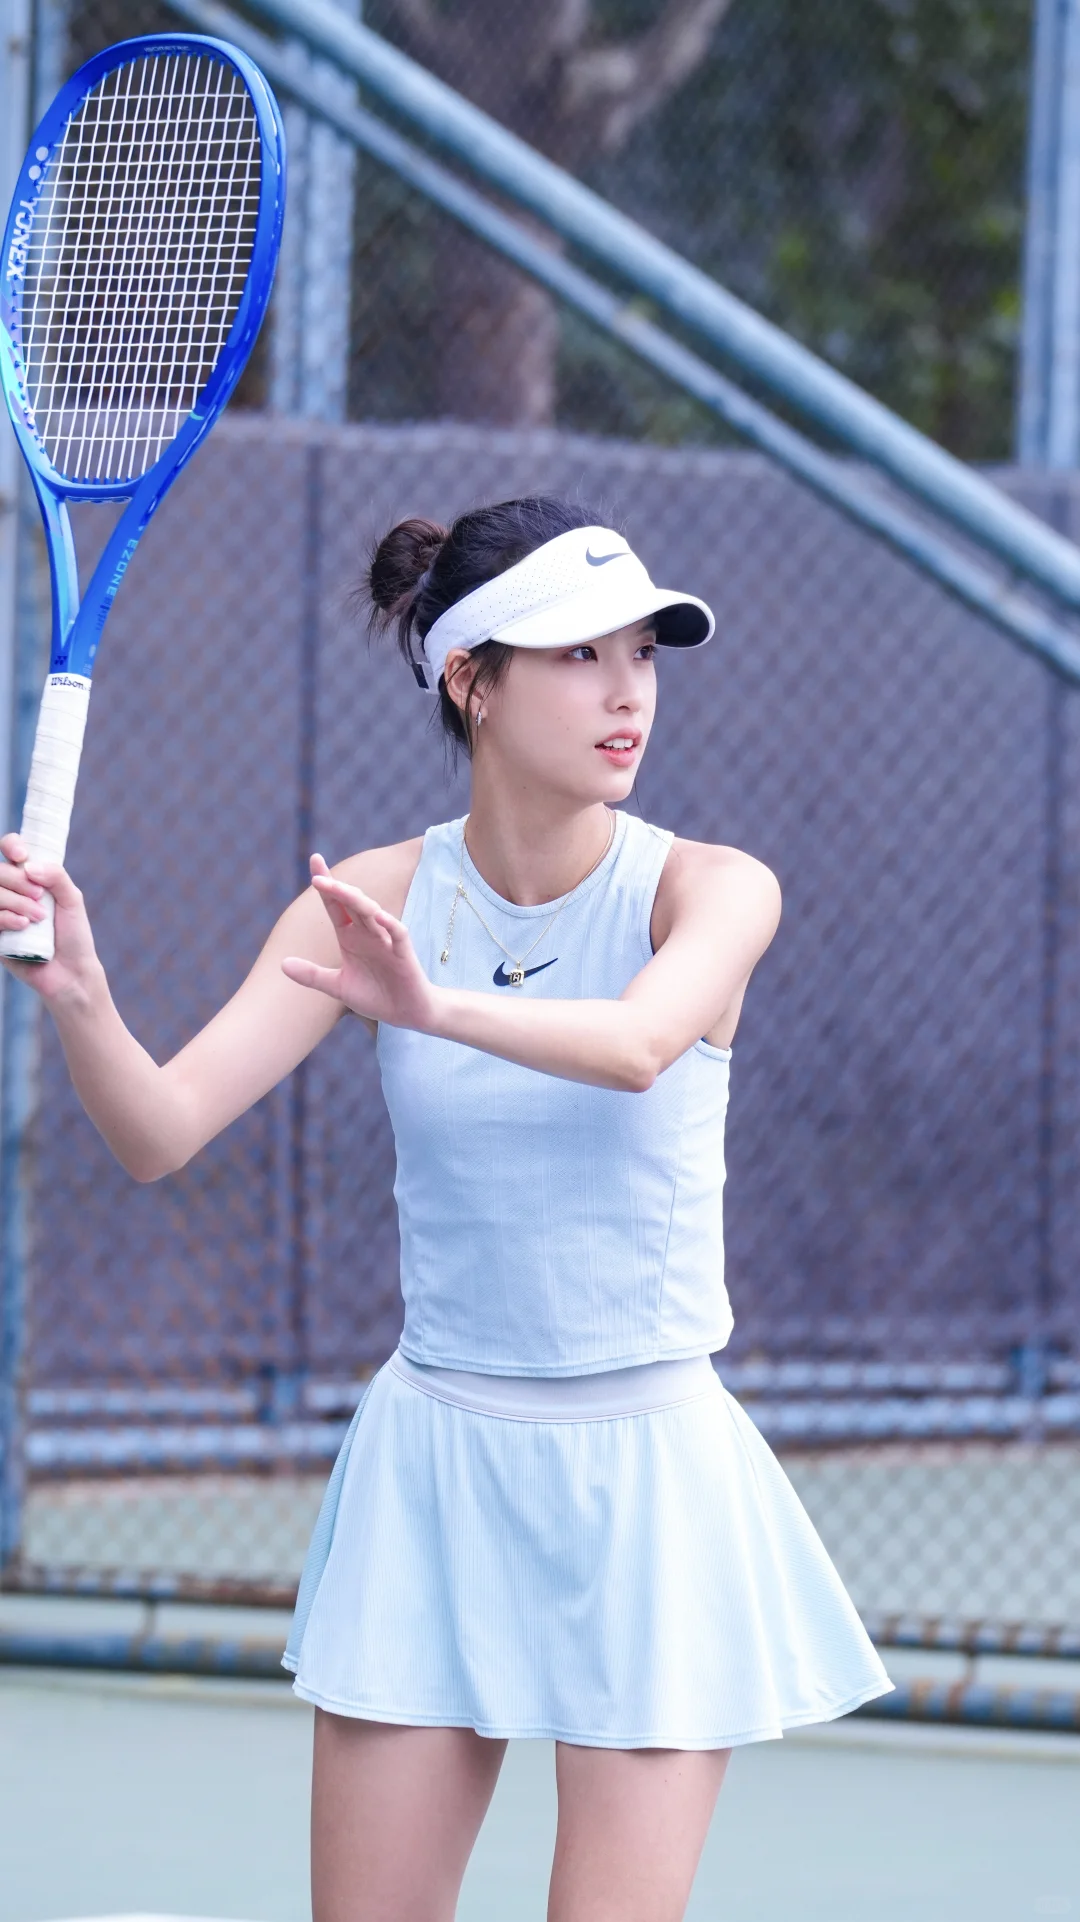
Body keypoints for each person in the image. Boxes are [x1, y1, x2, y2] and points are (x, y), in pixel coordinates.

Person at [0, 495, 890, 1922]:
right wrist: (82, 990)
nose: (626, 691)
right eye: (578, 655)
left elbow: (637, 1044)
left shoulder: (712, 891)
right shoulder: (363, 901)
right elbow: (161, 1130)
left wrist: (435, 1005)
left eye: (643, 654)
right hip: (434, 1468)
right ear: (471, 680)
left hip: (647, 1478)